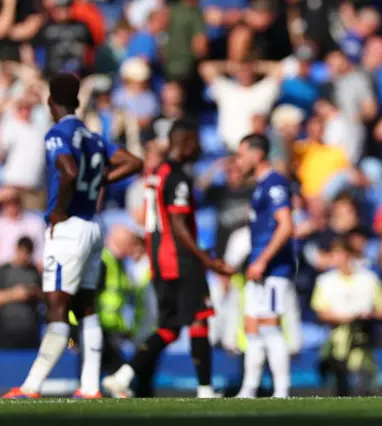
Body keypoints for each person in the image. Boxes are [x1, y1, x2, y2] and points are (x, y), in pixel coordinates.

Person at [3, 73, 144, 399]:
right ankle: (91, 387)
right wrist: (98, 183)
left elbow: (66, 170)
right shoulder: (93, 136)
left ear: (52, 101)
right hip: (95, 226)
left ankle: (30, 387)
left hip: (69, 228)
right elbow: (134, 162)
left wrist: (58, 211)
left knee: (56, 307)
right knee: (86, 306)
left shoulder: (58, 133)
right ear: (77, 102)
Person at [102, 118, 235, 399]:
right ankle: (205, 389)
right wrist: (205, 259)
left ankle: (122, 376)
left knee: (169, 327)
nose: (199, 147)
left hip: (159, 260)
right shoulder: (177, 176)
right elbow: (177, 223)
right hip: (180, 259)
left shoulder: (157, 174)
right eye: (196, 141)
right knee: (199, 319)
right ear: (185, 142)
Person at [234, 133, 296, 399]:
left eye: (241, 154)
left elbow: (286, 225)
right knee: (253, 328)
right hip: (258, 266)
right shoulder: (259, 185)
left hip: (272, 268)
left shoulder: (274, 183)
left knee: (270, 326)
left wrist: (262, 260)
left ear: (257, 154)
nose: (238, 161)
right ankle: (249, 388)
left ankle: (282, 390)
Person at [312, 236, 382, 396]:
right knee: (339, 388)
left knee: (362, 386)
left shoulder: (369, 279)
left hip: (363, 342)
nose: (337, 259)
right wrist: (347, 318)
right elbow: (320, 311)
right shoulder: (325, 281)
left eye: (339, 254)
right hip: (337, 343)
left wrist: (370, 316)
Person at [0, 236, 42, 349]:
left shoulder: (34, 271)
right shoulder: (3, 270)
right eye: (22, 252)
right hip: (6, 329)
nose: (24, 257)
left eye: (28, 253)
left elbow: (45, 296)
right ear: (16, 250)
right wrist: (14, 294)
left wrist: (32, 292)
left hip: (30, 330)